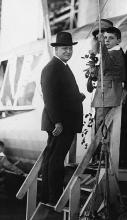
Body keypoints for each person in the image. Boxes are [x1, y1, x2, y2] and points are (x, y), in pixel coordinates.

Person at [40, 31, 85, 205]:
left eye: (70, 49)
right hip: (60, 124)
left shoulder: (61, 66)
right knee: (55, 160)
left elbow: (61, 95)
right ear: (56, 50)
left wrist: (76, 97)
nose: (68, 51)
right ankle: (54, 198)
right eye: (64, 49)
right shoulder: (53, 68)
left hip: (63, 122)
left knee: (52, 158)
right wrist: (57, 122)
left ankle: (47, 197)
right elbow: (49, 98)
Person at [88, 27, 126, 162]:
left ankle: (101, 158)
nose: (107, 40)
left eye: (111, 38)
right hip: (105, 95)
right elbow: (102, 71)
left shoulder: (115, 54)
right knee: (100, 126)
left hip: (108, 96)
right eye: (105, 38)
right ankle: (99, 157)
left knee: (102, 127)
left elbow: (106, 65)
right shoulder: (110, 53)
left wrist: (101, 46)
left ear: (118, 40)